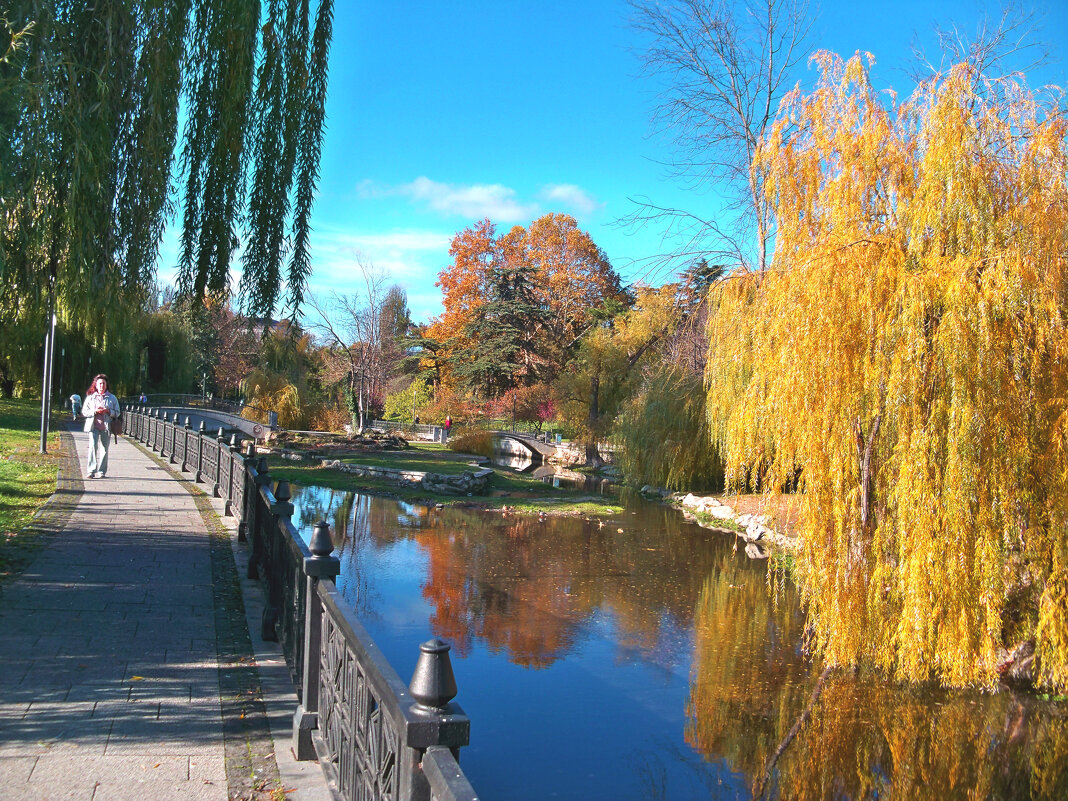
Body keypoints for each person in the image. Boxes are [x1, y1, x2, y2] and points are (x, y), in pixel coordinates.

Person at [82, 374, 120, 479]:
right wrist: (95, 411)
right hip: (93, 426)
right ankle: (91, 471)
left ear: (106, 385)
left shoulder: (112, 398)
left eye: (103, 383)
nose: (101, 386)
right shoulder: (91, 397)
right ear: (96, 385)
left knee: (104, 450)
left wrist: (108, 411)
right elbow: (85, 412)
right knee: (93, 448)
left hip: (106, 427)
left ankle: (102, 471)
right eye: (99, 384)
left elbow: (117, 413)